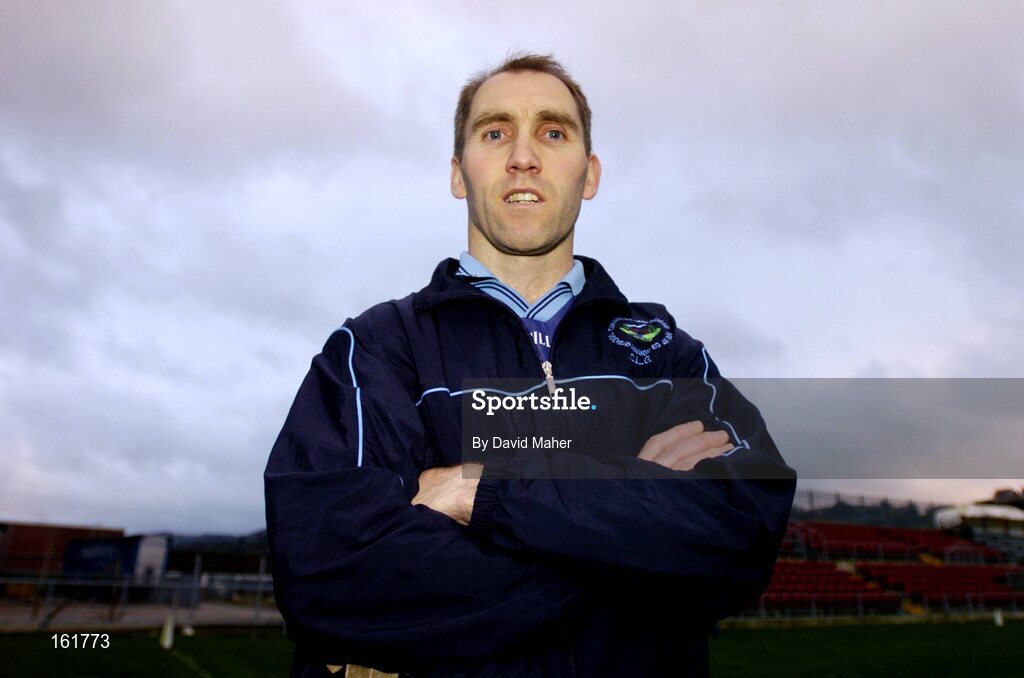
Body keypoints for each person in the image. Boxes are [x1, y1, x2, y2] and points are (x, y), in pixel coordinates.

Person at [265, 53, 797, 678]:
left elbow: (741, 534)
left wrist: (482, 493)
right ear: (459, 173)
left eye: (552, 132)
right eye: (495, 132)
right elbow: (329, 574)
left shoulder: (670, 357)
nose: (523, 156)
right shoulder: (376, 348)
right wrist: (631, 528)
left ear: (589, 174)